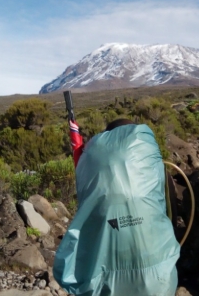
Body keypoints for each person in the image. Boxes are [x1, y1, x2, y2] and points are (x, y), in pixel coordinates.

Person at [53, 119, 180, 296]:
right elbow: (170, 216)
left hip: (105, 284)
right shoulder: (155, 168)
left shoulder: (92, 171)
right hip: (159, 280)